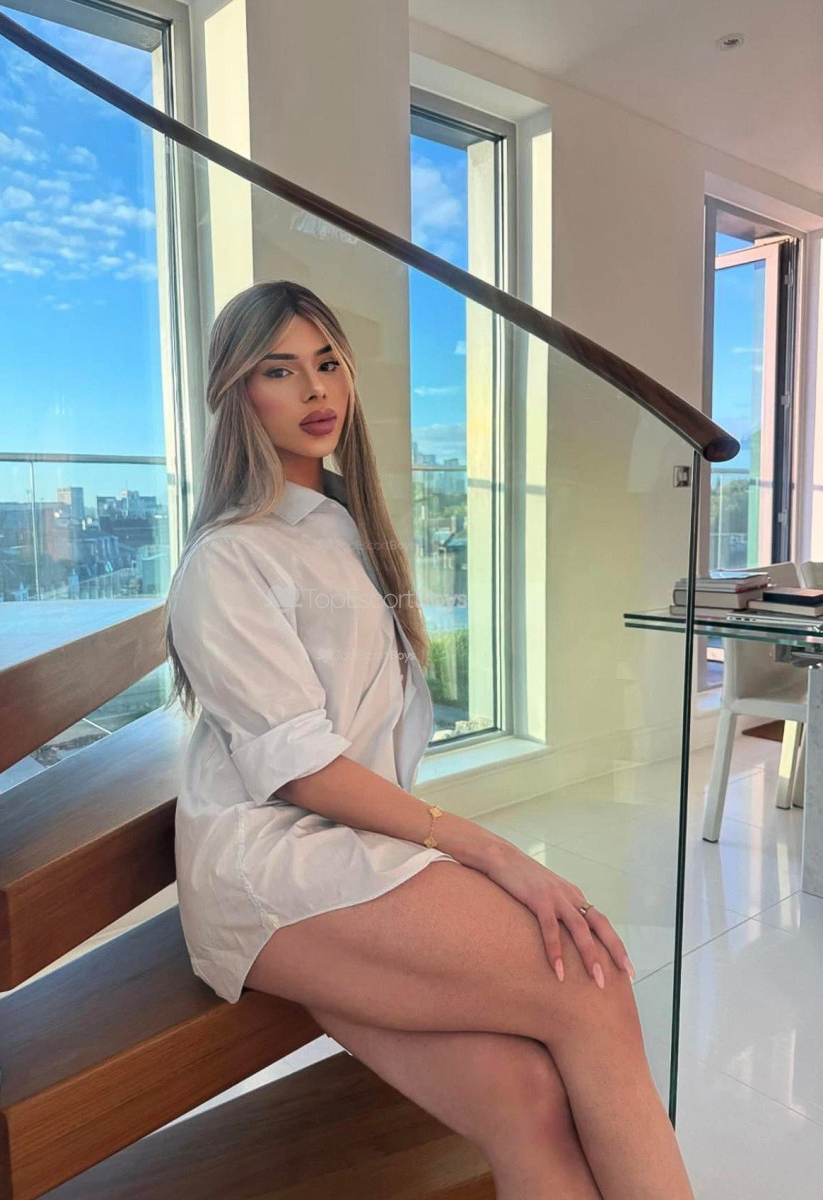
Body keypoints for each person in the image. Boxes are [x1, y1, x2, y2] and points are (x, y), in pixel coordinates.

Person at [164, 280, 695, 1199]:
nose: (315, 389)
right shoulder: (229, 557)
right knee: (594, 985)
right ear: (235, 392)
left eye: (328, 363)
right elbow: (299, 769)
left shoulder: (344, 527)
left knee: (526, 1096)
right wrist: (489, 852)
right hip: (269, 867)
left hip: (344, 850)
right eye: (279, 371)